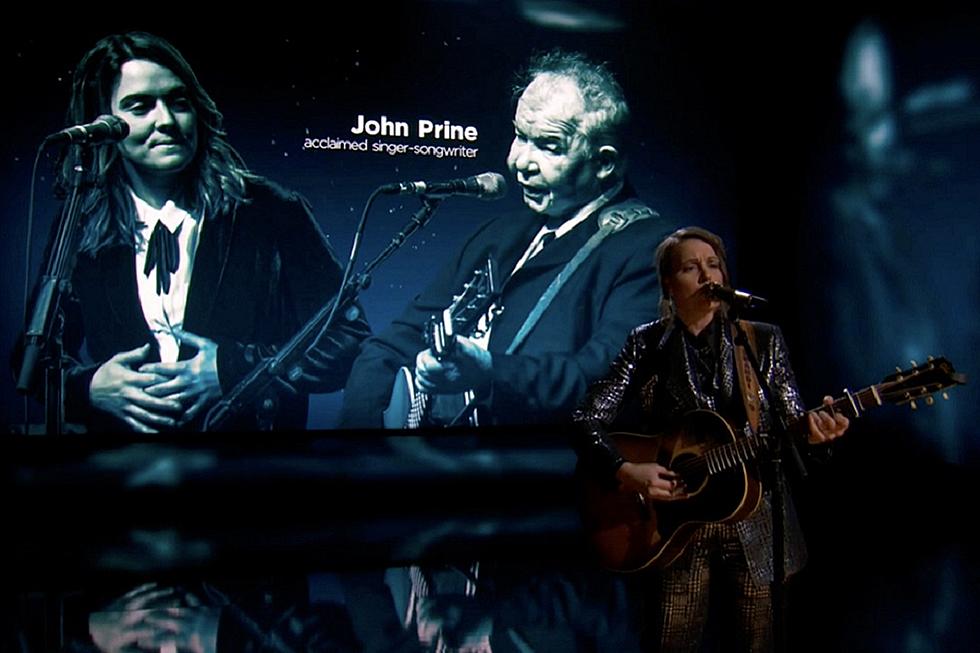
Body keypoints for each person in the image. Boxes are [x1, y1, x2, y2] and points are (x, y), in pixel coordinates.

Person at [22, 31, 369, 432]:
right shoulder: (80, 223)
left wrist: (233, 372)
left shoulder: (272, 211)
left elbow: (350, 339)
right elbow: (32, 358)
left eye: (178, 102)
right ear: (103, 123)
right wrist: (88, 388)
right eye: (140, 106)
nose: (166, 120)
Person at [339, 49, 671, 429]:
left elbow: (606, 383)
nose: (517, 161)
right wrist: (359, 450)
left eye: (548, 145)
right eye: (519, 135)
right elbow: (389, 347)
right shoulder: (499, 236)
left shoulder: (654, 251)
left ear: (605, 162)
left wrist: (489, 373)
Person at [573, 226, 850, 652]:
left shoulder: (761, 340)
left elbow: (791, 422)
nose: (707, 277)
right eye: (690, 267)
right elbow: (585, 419)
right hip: (673, 522)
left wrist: (820, 436)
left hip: (757, 517)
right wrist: (625, 471)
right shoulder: (646, 344)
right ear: (669, 282)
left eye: (714, 264)